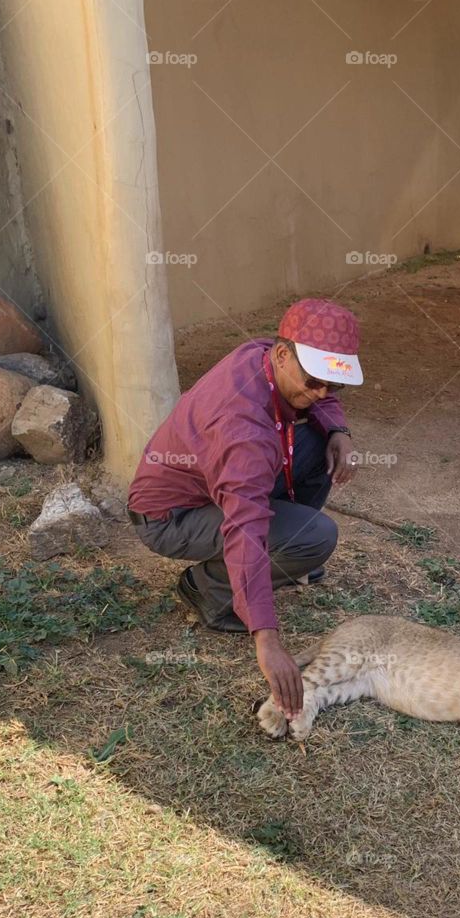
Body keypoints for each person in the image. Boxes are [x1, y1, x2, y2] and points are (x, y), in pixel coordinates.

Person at [128, 298, 361, 720]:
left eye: (335, 384)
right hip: (170, 517)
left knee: (319, 447)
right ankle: (210, 590)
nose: (323, 393)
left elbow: (319, 400)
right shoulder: (242, 428)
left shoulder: (263, 354)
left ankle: (283, 555)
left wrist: (338, 430)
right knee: (317, 536)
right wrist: (267, 639)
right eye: (315, 381)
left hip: (216, 488)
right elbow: (244, 526)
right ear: (284, 355)